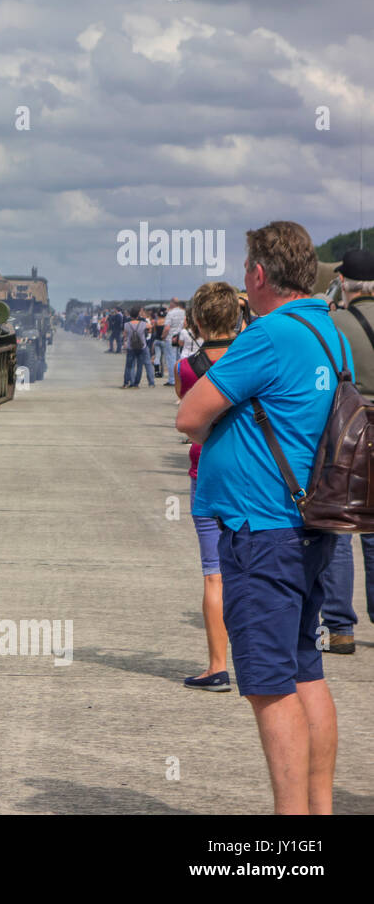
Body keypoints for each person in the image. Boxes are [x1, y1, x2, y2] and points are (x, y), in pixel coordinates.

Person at [177, 220, 346, 815]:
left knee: (270, 688)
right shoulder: (328, 329)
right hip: (310, 524)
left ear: (256, 274)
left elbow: (190, 416)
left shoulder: (270, 334)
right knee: (306, 673)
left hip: (262, 529)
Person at [176, 282, 243, 691]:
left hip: (206, 477)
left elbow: (191, 420)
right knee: (256, 572)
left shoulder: (187, 368)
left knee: (214, 576)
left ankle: (217, 666)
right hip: (254, 479)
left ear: (196, 321)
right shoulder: (256, 358)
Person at [316, 247, 374, 655]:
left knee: (340, 527)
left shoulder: (333, 324)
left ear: (344, 282)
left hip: (349, 432)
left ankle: (340, 628)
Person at [121, 306, 153, 387]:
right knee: (140, 366)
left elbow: (124, 335)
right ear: (138, 315)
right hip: (141, 346)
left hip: (130, 346)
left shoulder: (126, 324)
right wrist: (147, 331)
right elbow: (150, 326)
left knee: (129, 366)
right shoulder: (143, 324)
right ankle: (136, 383)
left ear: (130, 315)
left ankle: (126, 382)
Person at [164, 297, 186, 385]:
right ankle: (180, 378)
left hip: (170, 337)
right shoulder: (183, 312)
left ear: (173, 303)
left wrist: (163, 336)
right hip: (179, 337)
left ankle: (172, 380)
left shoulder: (170, 313)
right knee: (178, 358)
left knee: (171, 359)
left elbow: (167, 327)